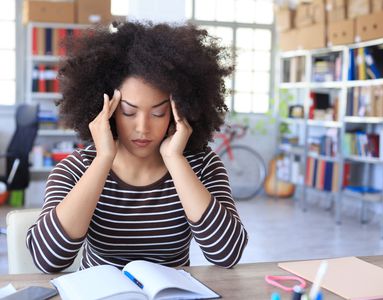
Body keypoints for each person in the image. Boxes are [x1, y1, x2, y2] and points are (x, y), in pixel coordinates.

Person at [26, 21, 248, 273]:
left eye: (159, 113)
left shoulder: (203, 165)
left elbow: (227, 254)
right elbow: (48, 260)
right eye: (128, 112)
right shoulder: (76, 168)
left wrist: (175, 159)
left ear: (180, 111)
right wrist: (103, 159)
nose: (142, 128)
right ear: (106, 110)